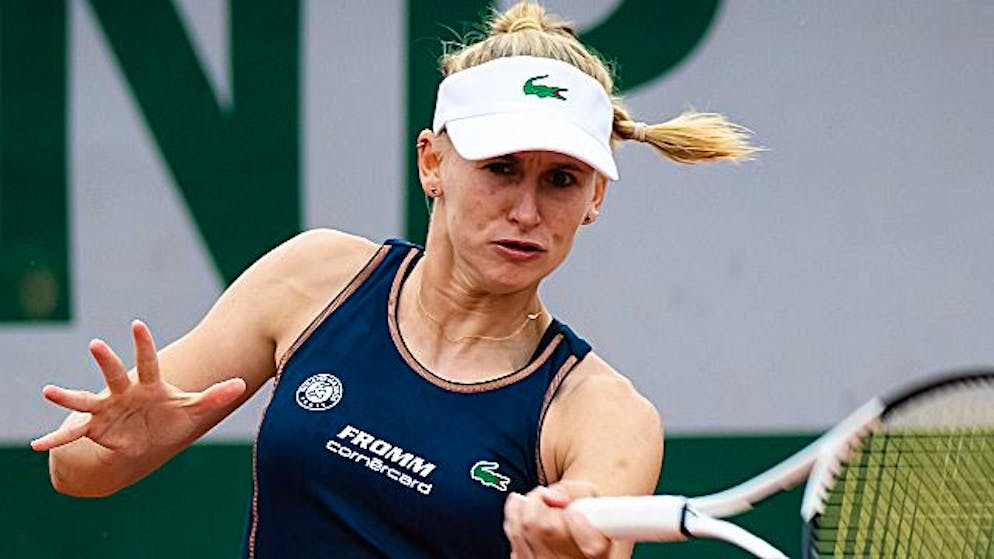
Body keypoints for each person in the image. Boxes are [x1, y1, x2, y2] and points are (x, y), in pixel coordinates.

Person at [31, 2, 753, 557]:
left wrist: (560, 547)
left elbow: (592, 541)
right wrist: (120, 442)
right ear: (432, 162)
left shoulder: (604, 416)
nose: (527, 211)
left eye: (561, 180)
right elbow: (77, 470)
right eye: (500, 169)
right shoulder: (316, 278)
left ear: (595, 199)